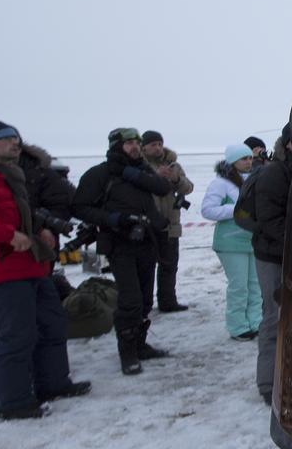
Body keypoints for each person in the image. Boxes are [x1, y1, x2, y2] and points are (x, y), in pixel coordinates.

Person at [0, 119, 90, 418]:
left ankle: (53, 383)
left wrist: (41, 230)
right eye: (7, 139)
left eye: (16, 138)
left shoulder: (9, 174)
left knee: (52, 324)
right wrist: (6, 235)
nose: (16, 143)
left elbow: (17, 214)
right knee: (18, 335)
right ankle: (11, 402)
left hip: (31, 265)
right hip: (0, 270)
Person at [73, 128, 173, 374]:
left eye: (137, 142)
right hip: (119, 243)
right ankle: (127, 354)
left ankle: (140, 345)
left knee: (146, 299)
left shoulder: (140, 171)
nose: (135, 147)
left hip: (147, 242)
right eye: (129, 143)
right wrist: (115, 219)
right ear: (116, 146)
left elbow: (162, 188)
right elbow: (80, 207)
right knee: (130, 300)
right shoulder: (100, 174)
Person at [250, 126, 292, 403]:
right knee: (274, 316)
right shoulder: (274, 174)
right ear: (289, 144)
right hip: (272, 257)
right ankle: (268, 383)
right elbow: (270, 222)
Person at [203, 144, 262, 340]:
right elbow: (208, 210)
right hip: (230, 243)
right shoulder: (220, 183)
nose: (248, 162)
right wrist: (236, 209)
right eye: (243, 159)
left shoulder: (255, 178)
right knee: (238, 286)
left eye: (249, 158)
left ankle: (256, 321)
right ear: (232, 161)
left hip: (252, 241)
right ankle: (237, 326)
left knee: (255, 285)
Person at [140, 130, 194, 312]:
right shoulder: (139, 166)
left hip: (170, 224)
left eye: (159, 144)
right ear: (144, 147)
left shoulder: (174, 165)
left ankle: (167, 301)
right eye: (153, 145)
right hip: (146, 224)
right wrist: (156, 176)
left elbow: (188, 188)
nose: (157, 148)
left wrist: (175, 178)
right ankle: (143, 303)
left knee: (169, 265)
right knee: (145, 267)